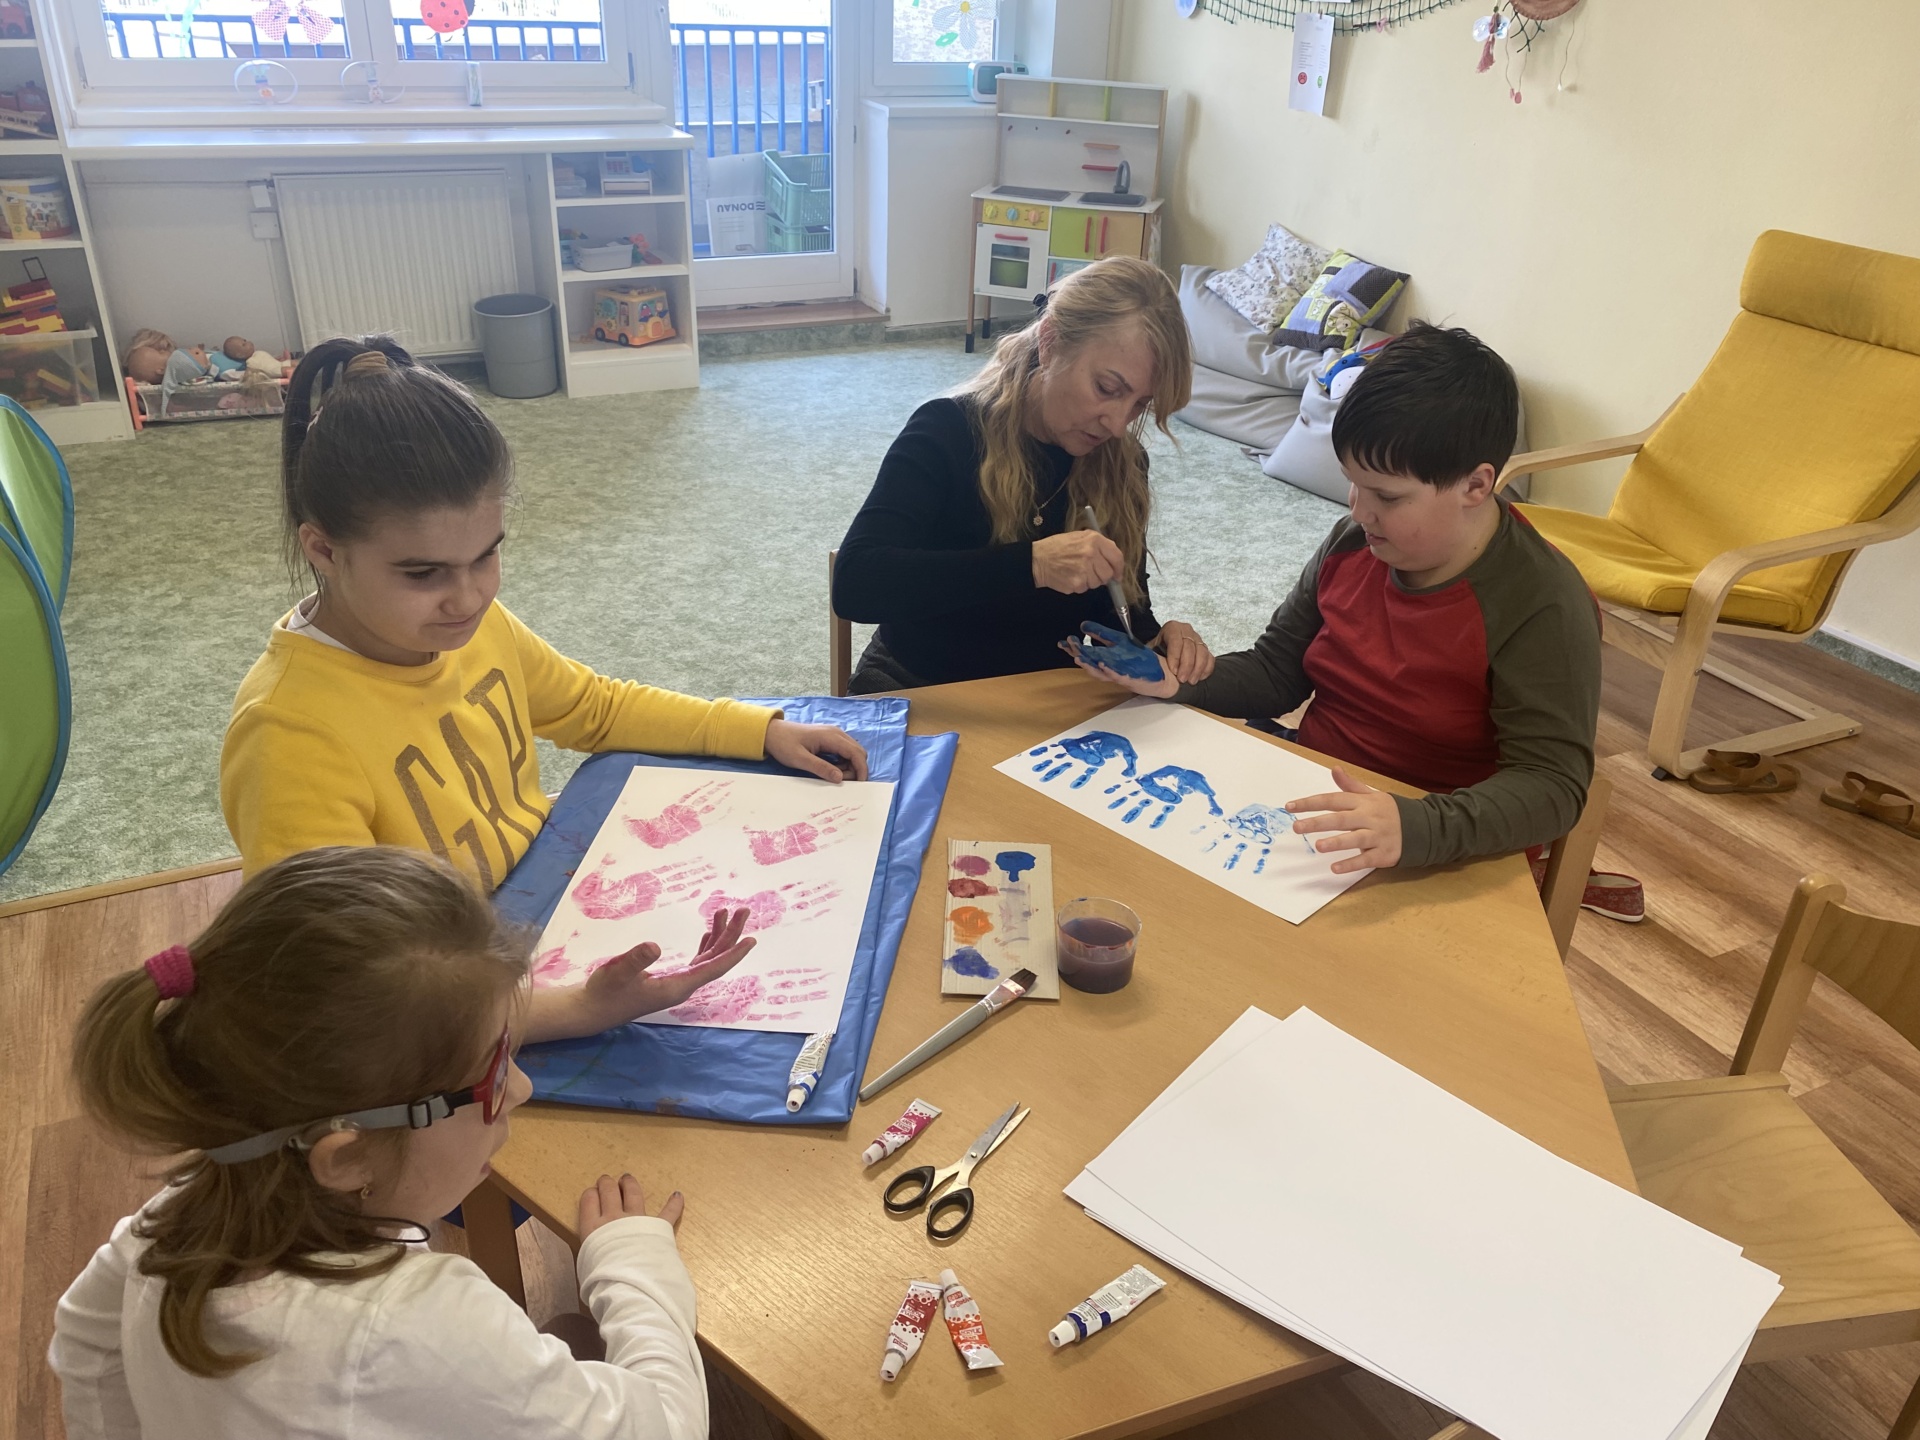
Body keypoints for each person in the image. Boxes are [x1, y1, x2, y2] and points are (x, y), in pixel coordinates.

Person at [221, 336, 857, 1041]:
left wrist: (759, 729)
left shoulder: (467, 627)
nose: (469, 597)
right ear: (323, 550)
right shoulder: (288, 735)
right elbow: (347, 994)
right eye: (423, 574)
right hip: (451, 1014)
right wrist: (580, 1009)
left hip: (538, 915)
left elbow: (593, 707)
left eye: (486, 556)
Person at [50, 846, 714, 1440]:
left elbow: (85, 1342)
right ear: (347, 1157)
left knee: (568, 1336)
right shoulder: (415, 1325)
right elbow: (665, 1426)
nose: (521, 1088)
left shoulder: (171, 1222)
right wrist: (631, 1261)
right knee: (576, 1336)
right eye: (490, 1074)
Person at [1075, 323, 1625, 902]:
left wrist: (1415, 827)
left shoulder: (1543, 603)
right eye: (1352, 484)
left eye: (1388, 496)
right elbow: (1277, 671)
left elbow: (1552, 787)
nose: (1359, 511)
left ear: (1476, 485)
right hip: (1314, 805)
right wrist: (1178, 683)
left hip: (1442, 845)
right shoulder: (1352, 543)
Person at [832, 255, 1216, 693]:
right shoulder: (948, 431)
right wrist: (1032, 564)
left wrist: (1158, 638)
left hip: (1049, 699)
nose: (1116, 424)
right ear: (1050, 343)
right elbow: (856, 583)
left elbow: (1119, 610)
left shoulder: (1122, 464)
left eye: (1140, 405)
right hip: (923, 686)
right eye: (1107, 389)